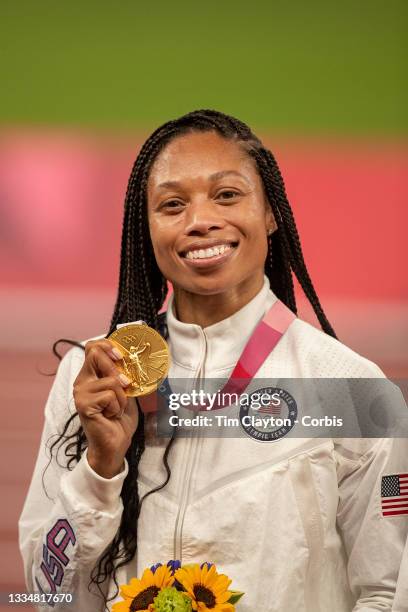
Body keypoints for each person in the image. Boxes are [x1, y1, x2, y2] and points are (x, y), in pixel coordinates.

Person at [19, 110, 408, 611]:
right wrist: (101, 467)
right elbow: (44, 594)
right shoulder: (96, 376)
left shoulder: (354, 390)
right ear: (148, 228)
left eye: (227, 195)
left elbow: (389, 592)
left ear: (271, 212)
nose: (200, 221)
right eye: (172, 204)